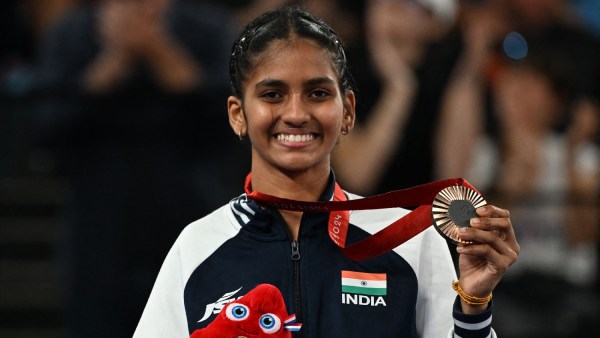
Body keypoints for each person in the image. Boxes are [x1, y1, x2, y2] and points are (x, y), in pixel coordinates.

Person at [134, 6, 519, 337]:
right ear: (238, 115)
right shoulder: (198, 247)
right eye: (273, 94)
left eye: (318, 93)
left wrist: (474, 305)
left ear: (347, 111)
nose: (297, 114)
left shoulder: (408, 241)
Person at [33, 0, 240, 336]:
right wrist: (110, 65)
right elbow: (44, 128)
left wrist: (162, 53)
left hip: (192, 220)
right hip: (96, 231)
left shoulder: (209, 28)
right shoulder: (71, 32)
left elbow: (235, 127)